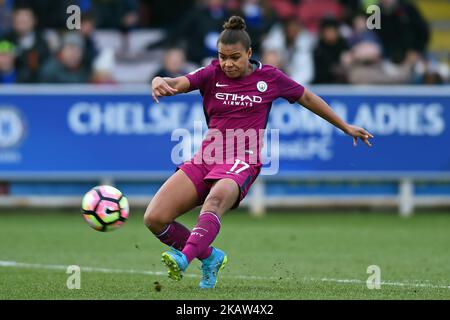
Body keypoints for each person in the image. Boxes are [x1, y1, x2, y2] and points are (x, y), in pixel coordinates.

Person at [145, 16, 373, 289]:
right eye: (222, 57)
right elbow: (178, 82)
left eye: (234, 58)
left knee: (216, 200)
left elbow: (308, 98)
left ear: (249, 54)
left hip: (243, 160)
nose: (227, 64)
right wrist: (160, 79)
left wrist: (345, 126)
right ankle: (210, 257)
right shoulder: (211, 73)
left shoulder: (270, 78)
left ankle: (184, 259)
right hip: (207, 157)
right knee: (155, 218)